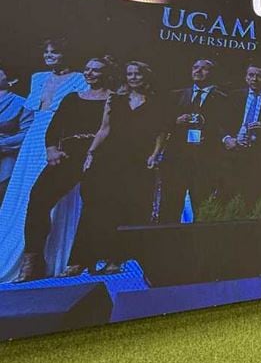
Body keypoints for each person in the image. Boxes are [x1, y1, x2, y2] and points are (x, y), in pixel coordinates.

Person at [16, 56, 115, 281]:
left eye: (96, 70)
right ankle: (32, 261)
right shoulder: (72, 98)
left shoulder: (114, 99)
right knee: (38, 198)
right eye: (87, 69)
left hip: (98, 155)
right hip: (69, 155)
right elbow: (54, 127)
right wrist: (51, 149)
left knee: (95, 205)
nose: (89, 73)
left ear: (107, 74)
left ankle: (81, 260)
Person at [0, 38, 87, 282]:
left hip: (59, 138)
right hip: (33, 140)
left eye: (55, 52)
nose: (49, 56)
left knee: (49, 195)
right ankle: (20, 255)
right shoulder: (38, 77)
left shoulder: (80, 79)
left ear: (66, 54)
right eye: (47, 52)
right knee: (22, 193)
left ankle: (52, 256)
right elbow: (33, 112)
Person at [79, 61, 165, 274]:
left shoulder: (157, 102)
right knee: (107, 207)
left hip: (138, 160)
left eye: (137, 74)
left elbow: (160, 132)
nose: (133, 77)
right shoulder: (115, 99)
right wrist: (90, 153)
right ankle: (103, 256)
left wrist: (155, 154)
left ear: (146, 76)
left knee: (131, 207)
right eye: (129, 74)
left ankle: (122, 257)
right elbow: (104, 129)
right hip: (111, 158)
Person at [158, 58, 230, 223]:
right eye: (195, 67)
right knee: (171, 203)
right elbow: (163, 122)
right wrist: (176, 121)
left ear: (212, 73)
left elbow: (226, 124)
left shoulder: (223, 98)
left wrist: (207, 126)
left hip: (206, 159)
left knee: (202, 203)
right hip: (177, 158)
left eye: (204, 69)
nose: (198, 71)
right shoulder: (176, 95)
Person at [223, 63, 261, 208]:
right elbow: (220, 122)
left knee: (253, 195)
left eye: (259, 76)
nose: (254, 79)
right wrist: (227, 138)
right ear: (246, 77)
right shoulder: (234, 96)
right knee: (229, 194)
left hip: (258, 154)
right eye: (251, 75)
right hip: (233, 151)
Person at [0, 66, 34, 204]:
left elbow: (27, 133)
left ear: (12, 80)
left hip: (7, 152)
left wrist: (2, 144)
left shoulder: (22, 103)